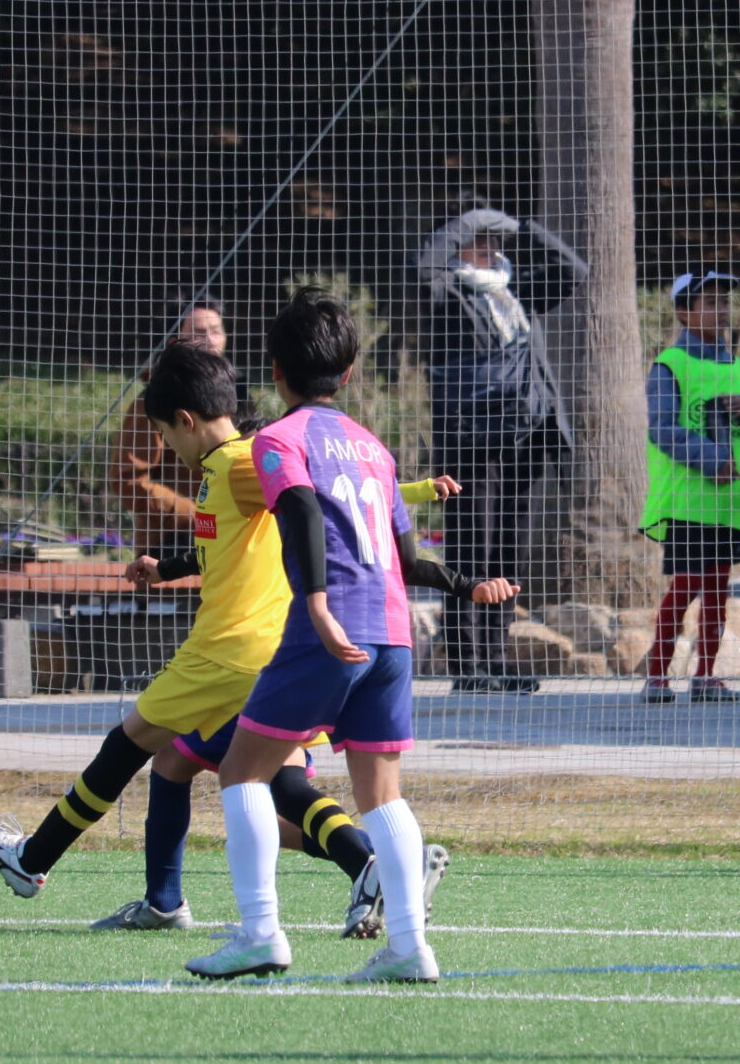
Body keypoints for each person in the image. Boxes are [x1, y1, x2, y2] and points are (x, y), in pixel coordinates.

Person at [0, 339, 447, 937]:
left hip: (225, 655)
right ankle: (362, 867)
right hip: (271, 652)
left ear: (186, 420)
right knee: (234, 773)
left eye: (164, 435)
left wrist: (414, 491)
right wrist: (164, 568)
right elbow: (225, 544)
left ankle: (31, 860)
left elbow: (323, 496)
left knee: (127, 745)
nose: (167, 447)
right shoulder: (234, 465)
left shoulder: (241, 464)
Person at [188, 291, 519, 984]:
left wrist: (315, 603)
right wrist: (466, 584)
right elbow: (405, 558)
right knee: (382, 794)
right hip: (392, 633)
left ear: (274, 370)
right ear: (349, 371)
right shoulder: (374, 447)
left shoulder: (279, 439)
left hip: (331, 626)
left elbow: (302, 507)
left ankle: (260, 934)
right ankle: (409, 947)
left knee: (241, 772)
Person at [416, 205, 587, 693]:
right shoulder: (449, 292)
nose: (491, 248)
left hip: (525, 438)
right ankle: (467, 663)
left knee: (508, 551)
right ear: (460, 243)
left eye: (497, 240)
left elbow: (574, 270)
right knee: (471, 548)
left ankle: (496, 656)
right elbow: (426, 264)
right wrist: (474, 218)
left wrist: (522, 227)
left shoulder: (515, 291)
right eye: (481, 239)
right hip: (473, 442)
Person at [640, 270, 740, 705]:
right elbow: (662, 429)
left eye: (724, 302)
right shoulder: (669, 365)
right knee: (685, 586)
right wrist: (714, 461)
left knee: (717, 592)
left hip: (729, 503)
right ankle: (657, 678)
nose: (721, 310)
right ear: (683, 312)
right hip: (688, 501)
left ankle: (705, 677)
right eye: (710, 303)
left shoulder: (737, 367)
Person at [106, 296, 225, 561]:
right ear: (174, 342)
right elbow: (129, 481)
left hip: (229, 538)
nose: (210, 340)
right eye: (199, 332)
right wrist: (195, 515)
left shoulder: (236, 400)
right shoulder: (151, 405)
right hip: (170, 543)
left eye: (216, 331)